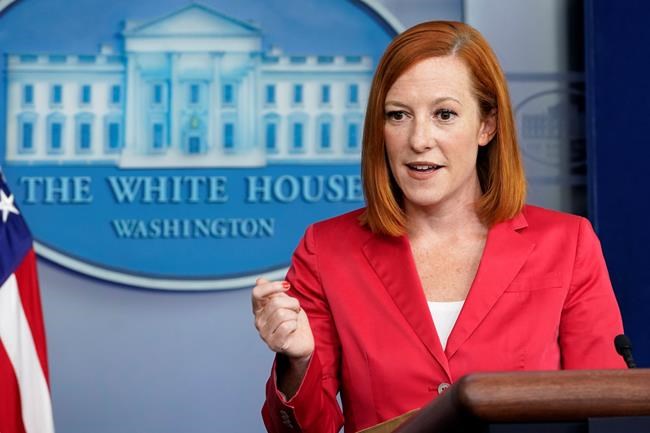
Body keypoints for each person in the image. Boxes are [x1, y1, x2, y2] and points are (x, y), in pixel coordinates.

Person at [251, 20, 626, 433]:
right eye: (398, 115)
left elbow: (606, 408)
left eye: (444, 114)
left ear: (487, 125)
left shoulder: (567, 243)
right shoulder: (326, 249)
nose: (419, 139)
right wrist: (298, 361)